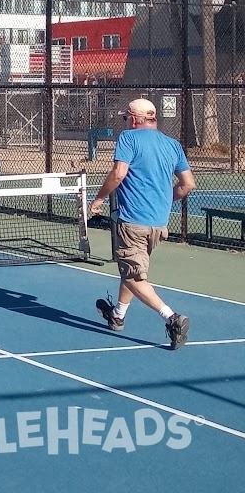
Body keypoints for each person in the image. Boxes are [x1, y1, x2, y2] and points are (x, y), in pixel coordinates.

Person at [89, 98, 197, 350]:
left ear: (134, 119)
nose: (124, 122)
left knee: (134, 276)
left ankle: (172, 318)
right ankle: (118, 315)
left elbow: (118, 173)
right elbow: (188, 185)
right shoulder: (173, 145)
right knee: (131, 271)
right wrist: (162, 200)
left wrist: (99, 198)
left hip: (132, 221)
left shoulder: (128, 138)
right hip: (158, 225)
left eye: (125, 117)